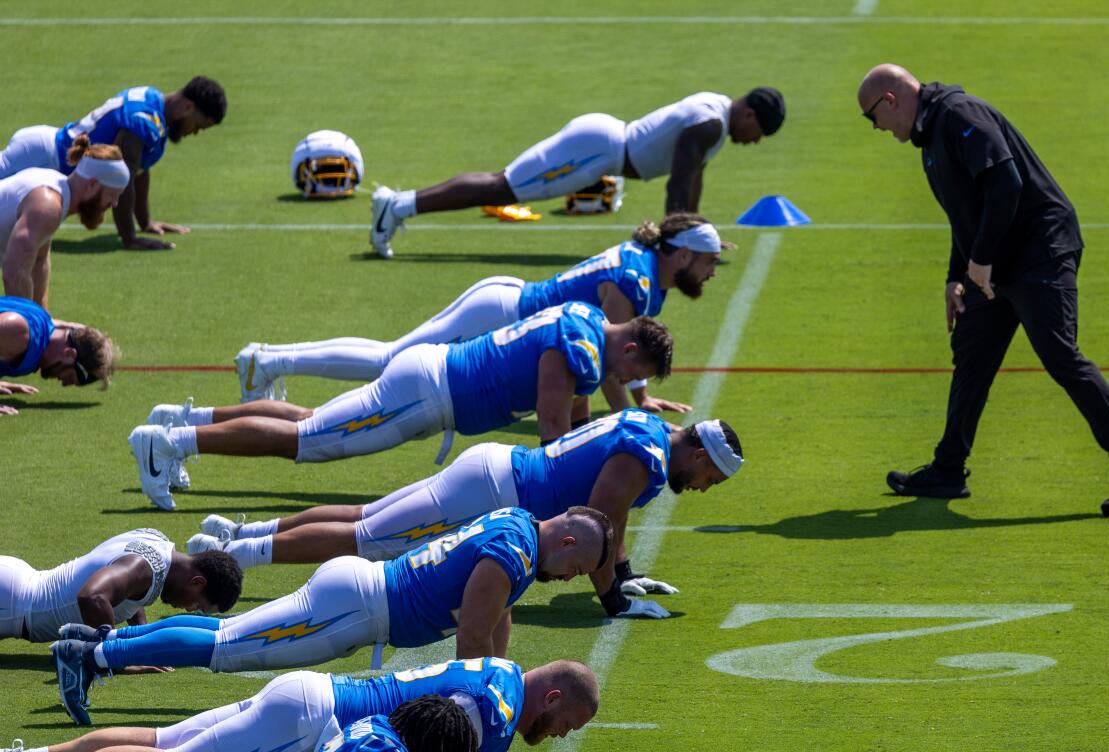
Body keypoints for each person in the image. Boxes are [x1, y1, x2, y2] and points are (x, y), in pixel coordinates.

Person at [857, 64, 1109, 517]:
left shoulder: (959, 115)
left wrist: (980, 260)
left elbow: (1006, 182)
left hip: (1041, 251)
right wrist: (955, 276)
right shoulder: (930, 138)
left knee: (1059, 355)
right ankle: (948, 469)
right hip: (997, 263)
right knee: (972, 354)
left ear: (890, 100)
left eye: (872, 117)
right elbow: (966, 213)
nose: (876, 128)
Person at [51, 507, 613, 725]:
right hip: (358, 609)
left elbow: (496, 613)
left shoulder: (518, 526)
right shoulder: (515, 553)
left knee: (226, 635)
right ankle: (93, 654)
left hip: (360, 598)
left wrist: (500, 668)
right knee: (227, 647)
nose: (571, 577)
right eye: (579, 566)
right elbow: (472, 633)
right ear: (566, 540)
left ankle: (98, 648)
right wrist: (487, 700)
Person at [192, 410, 744, 621]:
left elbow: (610, 524)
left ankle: (242, 534)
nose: (702, 489)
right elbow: (599, 521)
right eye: (710, 479)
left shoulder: (650, 426)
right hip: (496, 490)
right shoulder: (645, 458)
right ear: (699, 455)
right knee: (367, 538)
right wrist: (614, 601)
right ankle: (232, 553)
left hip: (497, 469)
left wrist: (624, 573)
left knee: (368, 518)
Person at [129, 302, 672, 510]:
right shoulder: (578, 348)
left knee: (312, 423)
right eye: (635, 373)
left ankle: (187, 420)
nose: (627, 383)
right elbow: (554, 427)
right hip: (429, 394)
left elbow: (570, 415)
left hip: (432, 382)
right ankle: (169, 445)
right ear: (628, 348)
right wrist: (567, 486)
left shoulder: (585, 318)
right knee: (308, 441)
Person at [239, 215, 720, 414]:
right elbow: (609, 364)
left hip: (506, 302)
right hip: (502, 316)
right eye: (709, 261)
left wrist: (641, 397)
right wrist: (629, 418)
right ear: (682, 254)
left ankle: (270, 360)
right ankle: (268, 360)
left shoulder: (645, 267)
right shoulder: (637, 282)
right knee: (388, 362)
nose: (713, 272)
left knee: (390, 357)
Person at [368, 88, 784, 257]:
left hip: (601, 147)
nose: (755, 142)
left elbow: (693, 178)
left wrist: (694, 230)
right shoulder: (710, 124)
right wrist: (677, 242)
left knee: (502, 185)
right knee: (502, 187)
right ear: (748, 114)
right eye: (759, 133)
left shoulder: (716, 113)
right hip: (595, 152)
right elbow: (678, 181)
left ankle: (399, 205)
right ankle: (397, 206)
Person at [0, 77, 227, 250]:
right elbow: (124, 179)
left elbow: (140, 170)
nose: (194, 132)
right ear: (187, 108)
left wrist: (145, 221)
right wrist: (130, 238)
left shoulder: (153, 99)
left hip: (46, 153)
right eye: (198, 126)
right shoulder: (144, 121)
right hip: (41, 157)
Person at [8, 693, 477, 752]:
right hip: (294, 720)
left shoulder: (382, 727)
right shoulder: (384, 749)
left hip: (299, 701)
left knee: (163, 739)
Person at [0, 528, 242, 642]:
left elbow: (128, 590)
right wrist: (113, 654)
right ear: (197, 582)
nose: (189, 609)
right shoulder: (145, 568)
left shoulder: (158, 543)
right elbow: (92, 597)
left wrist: (139, 640)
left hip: (15, 587)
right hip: (10, 606)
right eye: (197, 604)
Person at [1, 136, 129, 308]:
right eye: (112, 195)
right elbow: (14, 274)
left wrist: (43, 316)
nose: (114, 204)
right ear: (92, 185)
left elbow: (39, 260)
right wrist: (31, 321)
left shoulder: (55, 191)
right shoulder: (47, 206)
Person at [0, 296, 118, 417]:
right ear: (69, 354)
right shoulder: (20, 331)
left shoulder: (43, 331)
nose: (64, 384)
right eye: (70, 377)